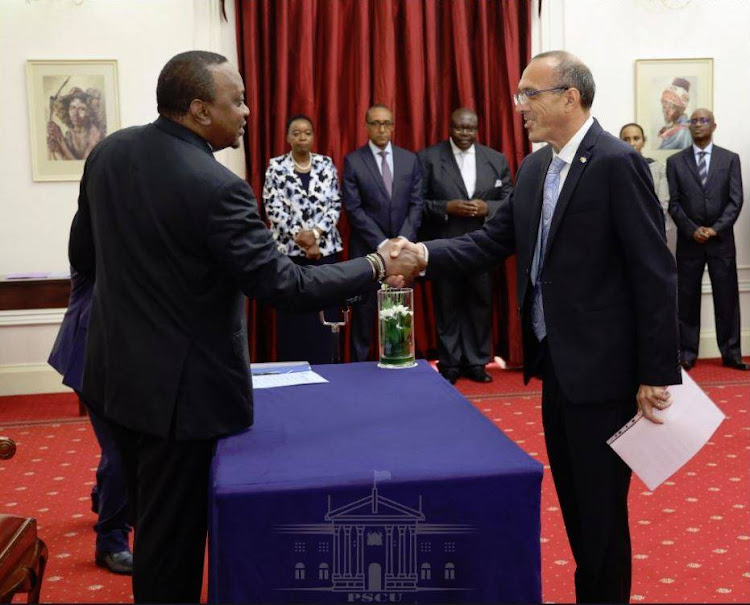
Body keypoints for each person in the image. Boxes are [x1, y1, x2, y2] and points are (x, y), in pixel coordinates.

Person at [68, 50, 422, 603]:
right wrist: (376, 264)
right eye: (236, 100)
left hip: (112, 376)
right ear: (199, 109)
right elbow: (285, 287)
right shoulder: (217, 188)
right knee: (172, 545)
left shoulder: (109, 152)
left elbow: (82, 256)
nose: (249, 110)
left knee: (149, 520)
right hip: (179, 399)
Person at [393, 50, 680, 603]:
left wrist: (655, 373)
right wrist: (422, 255)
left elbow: (654, 273)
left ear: (570, 98)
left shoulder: (618, 163)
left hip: (605, 374)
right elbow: (489, 243)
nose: (519, 105)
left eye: (530, 94)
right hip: (556, 368)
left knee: (599, 513)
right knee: (575, 506)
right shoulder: (534, 167)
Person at [418, 107, 513, 383]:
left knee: (479, 302)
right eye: (459, 128)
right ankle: (449, 363)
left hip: (484, 246)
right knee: (446, 303)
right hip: (445, 243)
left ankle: (476, 362)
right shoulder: (429, 159)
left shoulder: (495, 159)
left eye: (470, 128)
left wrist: (487, 207)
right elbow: (417, 203)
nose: (464, 133)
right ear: (449, 127)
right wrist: (446, 207)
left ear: (477, 129)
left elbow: (509, 199)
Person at [47, 269, 133, 575]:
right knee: (123, 450)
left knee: (117, 440)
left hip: (117, 356)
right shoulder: (97, 224)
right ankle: (111, 543)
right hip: (90, 354)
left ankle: (103, 498)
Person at [666, 108, 748, 371]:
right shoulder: (676, 162)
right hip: (690, 243)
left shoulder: (730, 159)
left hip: (721, 242)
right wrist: (692, 230)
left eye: (704, 121)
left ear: (714, 125)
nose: (698, 124)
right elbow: (674, 203)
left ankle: (731, 354)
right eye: (694, 121)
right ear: (688, 127)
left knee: (727, 299)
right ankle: (687, 354)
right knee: (687, 299)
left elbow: (736, 200)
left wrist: (715, 229)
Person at [342, 104, 424, 361]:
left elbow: (416, 203)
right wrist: (383, 243)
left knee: (400, 308)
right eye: (376, 123)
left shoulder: (409, 159)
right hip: (368, 249)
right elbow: (353, 209)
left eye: (387, 123)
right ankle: (359, 365)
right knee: (365, 310)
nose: (382, 129)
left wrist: (400, 241)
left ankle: (397, 357)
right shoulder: (354, 161)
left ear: (393, 126)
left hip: (404, 249)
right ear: (366, 126)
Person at [262, 114, 344, 364]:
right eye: (296, 133)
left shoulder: (326, 164)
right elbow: (272, 207)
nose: (302, 137)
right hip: (289, 252)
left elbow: (335, 203)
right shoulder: (276, 167)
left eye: (307, 132)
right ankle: (294, 365)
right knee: (294, 314)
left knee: (324, 311)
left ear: (313, 136)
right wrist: (302, 238)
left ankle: (327, 363)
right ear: (288, 137)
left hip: (326, 249)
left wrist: (316, 235)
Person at [619, 122, 676, 254]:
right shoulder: (613, 168)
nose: (631, 143)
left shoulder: (657, 168)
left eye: (636, 138)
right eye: (626, 139)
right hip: (623, 233)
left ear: (643, 141)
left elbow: (663, 202)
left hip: (653, 232)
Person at [47, 87, 105, 160]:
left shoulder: (95, 135)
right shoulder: (69, 134)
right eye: (72, 107)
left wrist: (60, 140)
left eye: (82, 109)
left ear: (89, 112)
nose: (75, 114)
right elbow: (69, 161)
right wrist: (58, 150)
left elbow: (83, 165)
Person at [658, 77, 692, 150]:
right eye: (663, 107)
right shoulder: (672, 127)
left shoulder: (683, 132)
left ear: (678, 108)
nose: (664, 111)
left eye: (668, 107)